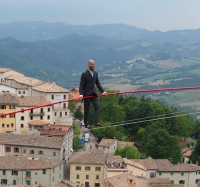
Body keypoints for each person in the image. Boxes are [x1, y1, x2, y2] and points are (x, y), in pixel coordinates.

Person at [79, 59, 106, 128]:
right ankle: (86, 124)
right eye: (92, 64)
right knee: (87, 109)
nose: (93, 65)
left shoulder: (96, 73)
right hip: (87, 94)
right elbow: (81, 85)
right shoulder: (84, 74)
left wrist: (103, 91)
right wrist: (81, 94)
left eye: (94, 64)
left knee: (97, 106)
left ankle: (96, 122)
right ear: (88, 65)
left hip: (94, 94)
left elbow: (98, 83)